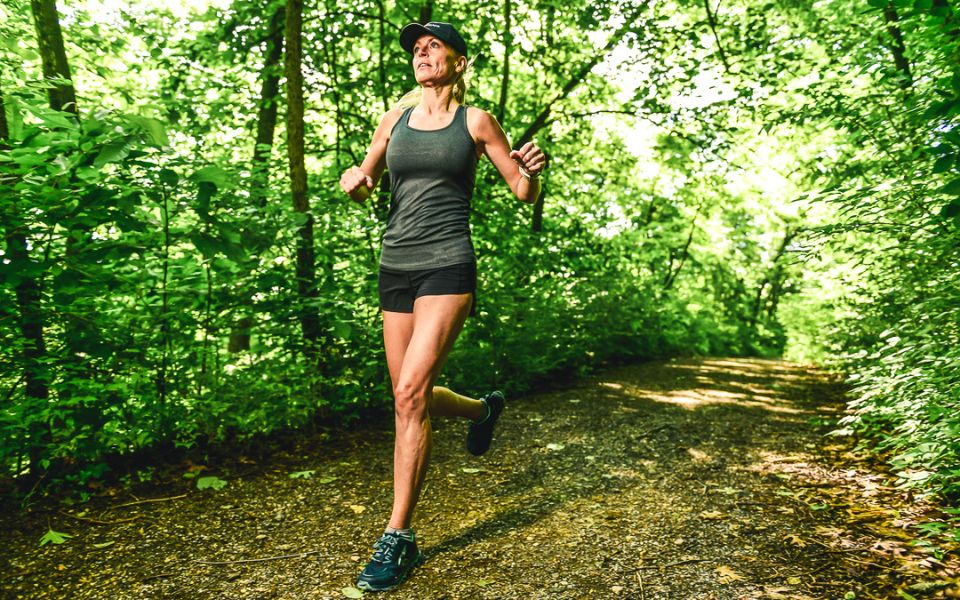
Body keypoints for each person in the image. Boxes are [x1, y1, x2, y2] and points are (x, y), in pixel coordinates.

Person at [338, 20, 546, 592]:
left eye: (434, 47)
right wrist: (351, 182)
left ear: (459, 63)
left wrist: (531, 173)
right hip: (395, 265)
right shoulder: (394, 120)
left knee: (409, 395)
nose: (421, 53)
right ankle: (482, 410)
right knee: (413, 394)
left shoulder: (476, 122)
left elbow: (521, 189)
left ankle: (398, 537)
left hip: (448, 264)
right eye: (416, 49)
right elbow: (362, 178)